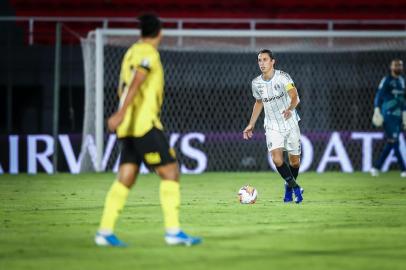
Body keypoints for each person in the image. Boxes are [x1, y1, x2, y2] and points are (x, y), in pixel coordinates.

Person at [94, 14, 201, 247]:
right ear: (159, 32)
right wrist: (121, 112)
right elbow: (137, 79)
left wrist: (122, 113)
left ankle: (104, 231)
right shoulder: (148, 53)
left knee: (126, 177)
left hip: (128, 127)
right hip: (143, 125)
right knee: (170, 172)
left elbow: (122, 86)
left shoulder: (131, 51)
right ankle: (173, 231)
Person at [243, 49, 304, 203]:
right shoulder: (256, 83)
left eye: (265, 59)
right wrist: (251, 124)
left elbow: (295, 97)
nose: (262, 63)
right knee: (277, 159)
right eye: (259, 60)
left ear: (272, 61)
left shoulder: (283, 77)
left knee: (294, 161)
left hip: (290, 122)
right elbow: (258, 102)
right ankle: (295, 187)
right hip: (271, 125)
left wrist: (290, 109)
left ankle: (289, 188)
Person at [371, 59, 406, 177]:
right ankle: (404, 169)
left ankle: (376, 167)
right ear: (391, 67)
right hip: (388, 115)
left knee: (391, 143)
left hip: (398, 116)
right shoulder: (386, 80)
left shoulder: (402, 81)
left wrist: (405, 114)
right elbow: (379, 95)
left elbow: (404, 100)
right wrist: (377, 109)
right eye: (396, 65)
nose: (398, 67)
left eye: (400, 65)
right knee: (394, 141)